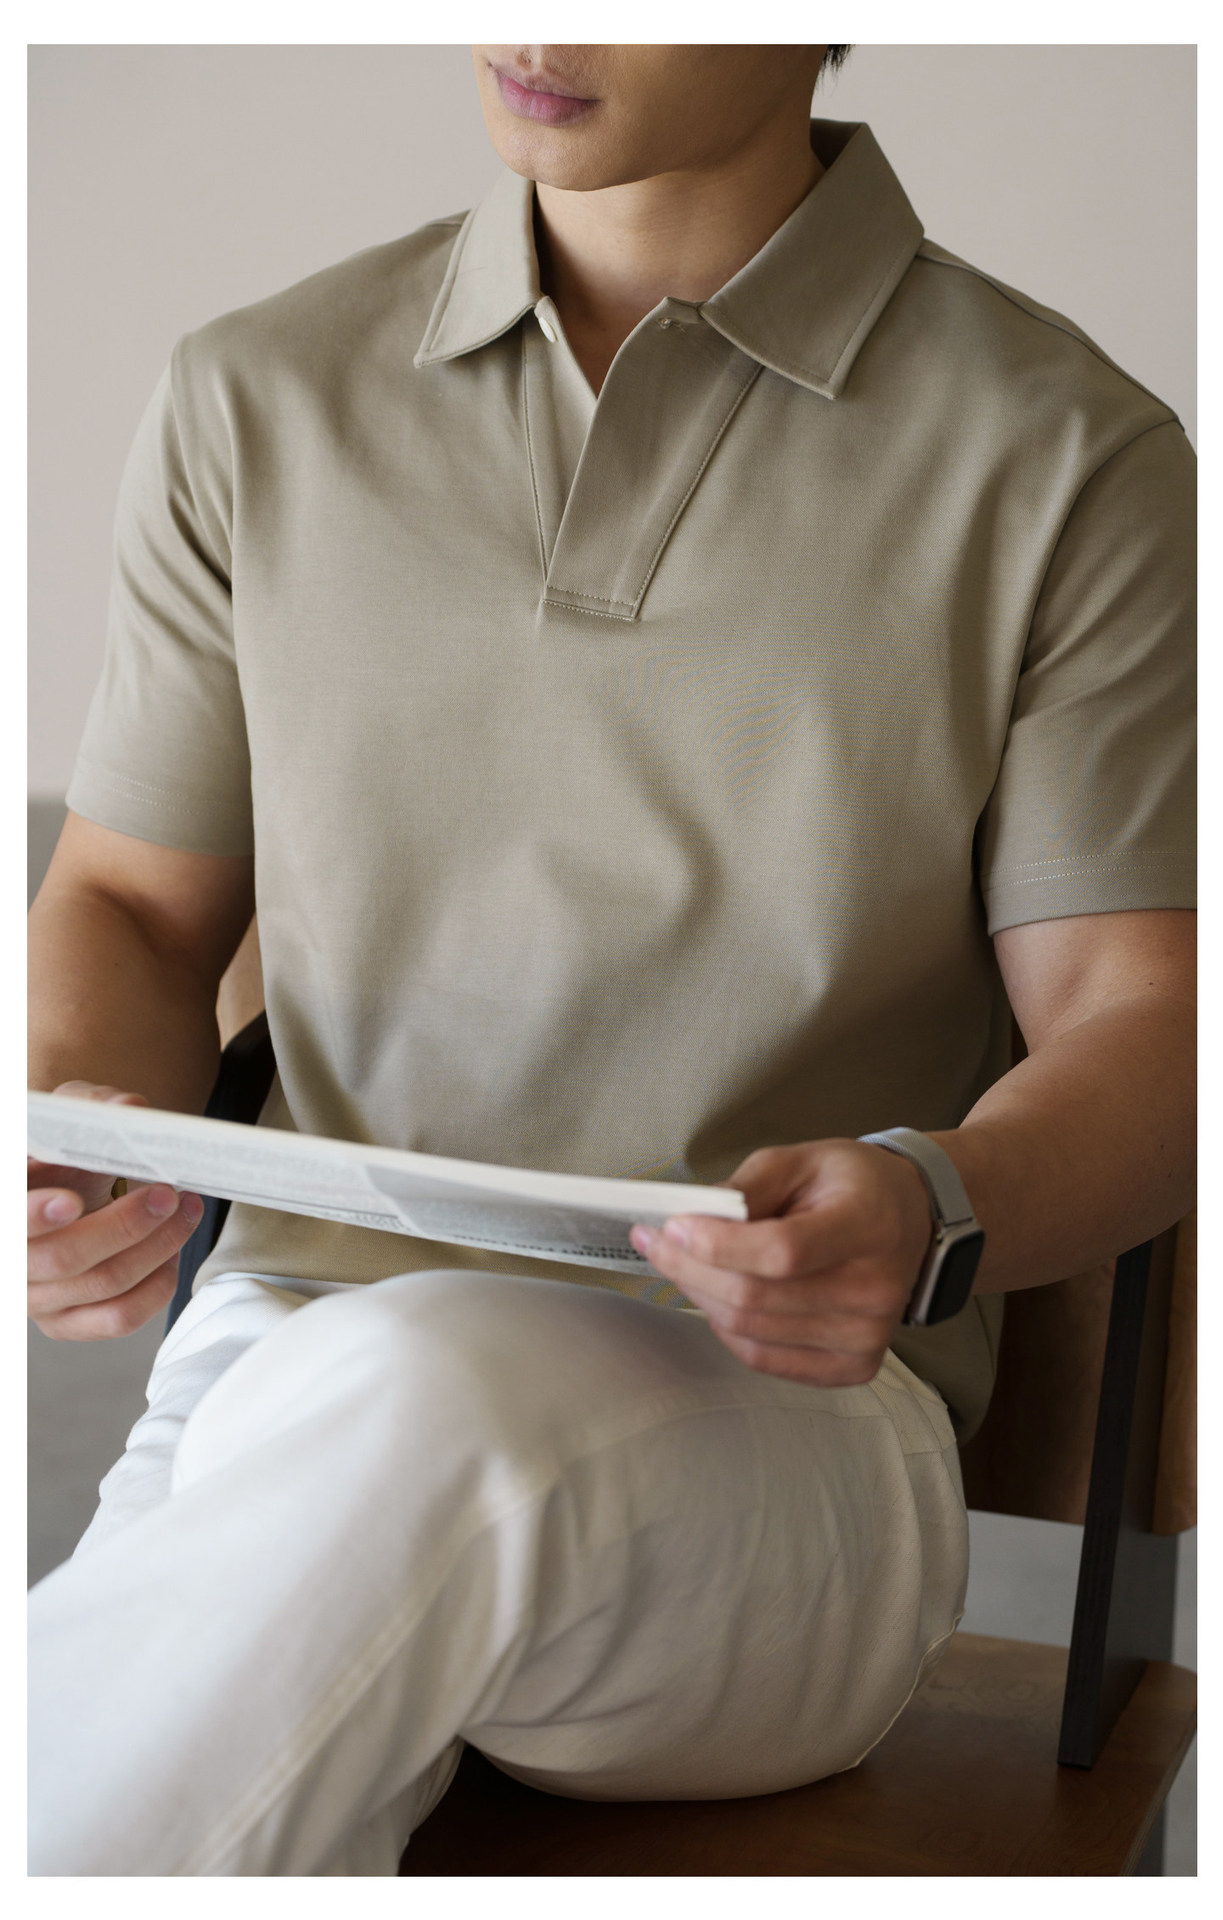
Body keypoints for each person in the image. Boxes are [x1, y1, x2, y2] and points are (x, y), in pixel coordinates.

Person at [27, 44, 1194, 1876]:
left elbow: (1144, 1026)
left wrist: (933, 1203)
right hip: (276, 1375)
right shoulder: (255, 393)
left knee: (412, 1410)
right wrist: (74, 1135)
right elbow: (131, 906)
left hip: (788, 1449)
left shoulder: (1067, 456)